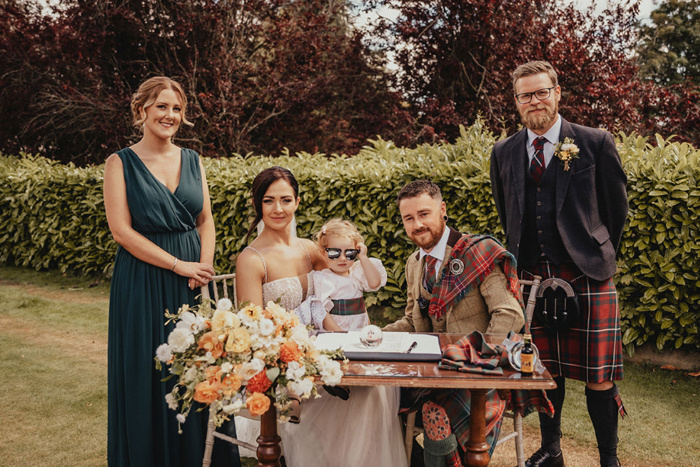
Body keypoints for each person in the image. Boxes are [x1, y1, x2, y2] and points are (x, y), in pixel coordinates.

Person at [490, 60, 628, 467]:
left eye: (541, 92)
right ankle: (552, 451)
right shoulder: (503, 152)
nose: (535, 101)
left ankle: (609, 459)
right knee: (542, 371)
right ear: (516, 102)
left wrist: (596, 253)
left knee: (599, 376)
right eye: (525, 95)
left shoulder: (594, 142)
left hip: (587, 273)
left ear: (557, 93)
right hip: (531, 276)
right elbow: (507, 210)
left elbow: (615, 210)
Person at [104, 76, 240, 467]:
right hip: (143, 282)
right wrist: (179, 264)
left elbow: (205, 219)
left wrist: (204, 266)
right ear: (142, 109)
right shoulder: (120, 162)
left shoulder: (193, 160)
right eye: (162, 106)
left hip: (192, 283)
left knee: (197, 369)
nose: (170, 115)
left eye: (177, 108)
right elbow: (121, 231)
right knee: (147, 371)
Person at [235, 167, 408, 467]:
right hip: (283, 359)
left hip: (326, 345)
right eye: (268, 200)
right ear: (257, 204)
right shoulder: (251, 259)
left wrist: (362, 260)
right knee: (359, 396)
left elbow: (346, 275)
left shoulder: (311, 249)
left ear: (297, 202)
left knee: (372, 388)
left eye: (286, 200)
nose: (278, 209)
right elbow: (252, 328)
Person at [384, 179, 525, 466]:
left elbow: (509, 314)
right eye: (408, 218)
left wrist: (475, 359)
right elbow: (412, 321)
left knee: (433, 412)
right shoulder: (414, 263)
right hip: (429, 375)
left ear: (442, 210)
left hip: (478, 377)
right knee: (379, 401)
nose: (417, 224)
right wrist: (373, 335)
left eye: (424, 214)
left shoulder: (477, 253)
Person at [304, 218, 387, 330]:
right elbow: (323, 312)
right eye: (334, 253)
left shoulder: (356, 272)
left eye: (350, 253)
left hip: (360, 329)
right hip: (338, 331)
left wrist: (363, 257)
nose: (342, 258)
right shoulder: (324, 279)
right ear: (323, 253)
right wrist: (339, 334)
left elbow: (374, 283)